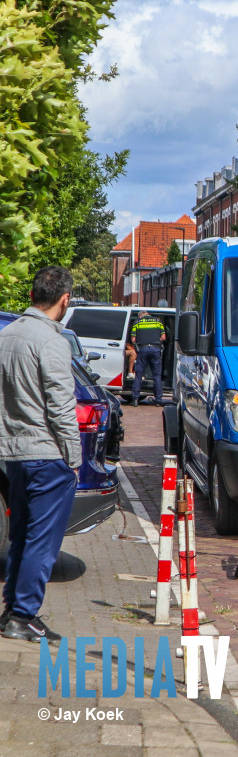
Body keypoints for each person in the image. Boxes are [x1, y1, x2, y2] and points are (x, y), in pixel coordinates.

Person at [0, 266, 81, 644]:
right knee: (42, 541)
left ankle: (11, 610)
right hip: (48, 455)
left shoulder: (7, 334)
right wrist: (74, 458)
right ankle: (23, 614)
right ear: (64, 299)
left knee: (20, 536)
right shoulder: (52, 342)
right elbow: (62, 406)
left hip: (14, 454)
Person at [128, 310, 166, 406]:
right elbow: (163, 337)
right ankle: (158, 400)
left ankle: (135, 400)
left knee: (138, 375)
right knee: (157, 376)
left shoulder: (137, 322)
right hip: (155, 349)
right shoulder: (158, 321)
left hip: (143, 349)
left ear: (140, 316)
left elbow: (133, 339)